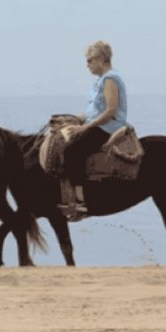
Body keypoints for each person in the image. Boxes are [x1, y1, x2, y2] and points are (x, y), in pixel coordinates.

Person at [58, 40, 129, 220]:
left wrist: (85, 128)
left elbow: (111, 110)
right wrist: (75, 119)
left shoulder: (110, 79)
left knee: (72, 151)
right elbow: (94, 111)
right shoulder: (100, 80)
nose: (87, 64)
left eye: (90, 60)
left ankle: (79, 201)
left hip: (108, 127)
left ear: (101, 60)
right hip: (98, 123)